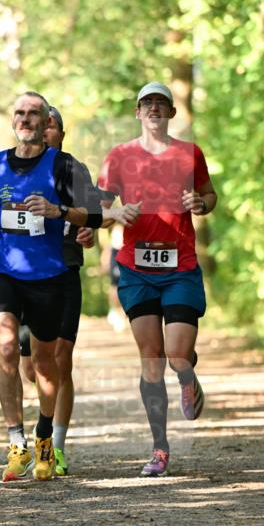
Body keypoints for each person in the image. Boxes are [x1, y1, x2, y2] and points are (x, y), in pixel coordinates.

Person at [0, 93, 103, 482]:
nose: (26, 119)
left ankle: (44, 435)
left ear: (47, 123)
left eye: (34, 114)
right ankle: (16, 441)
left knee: (45, 364)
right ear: (12, 120)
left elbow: (93, 213)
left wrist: (58, 211)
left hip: (49, 274)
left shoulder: (63, 165)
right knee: (7, 346)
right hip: (3, 269)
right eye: (20, 113)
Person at [97, 81, 217, 477]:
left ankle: (187, 376)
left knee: (178, 355)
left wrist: (200, 204)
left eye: (160, 104)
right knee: (152, 360)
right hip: (136, 268)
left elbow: (209, 196)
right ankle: (160, 449)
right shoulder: (119, 156)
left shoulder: (189, 153)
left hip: (180, 265)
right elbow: (97, 206)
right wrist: (115, 215)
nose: (153, 109)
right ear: (137, 112)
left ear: (170, 113)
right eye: (146, 103)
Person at [18, 106, 96, 477]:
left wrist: (89, 231)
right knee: (32, 368)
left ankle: (55, 447)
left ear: (61, 134)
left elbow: (92, 214)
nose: (45, 130)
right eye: (41, 124)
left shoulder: (73, 169)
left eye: (52, 126)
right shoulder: (14, 166)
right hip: (22, 273)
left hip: (64, 268)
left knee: (60, 359)